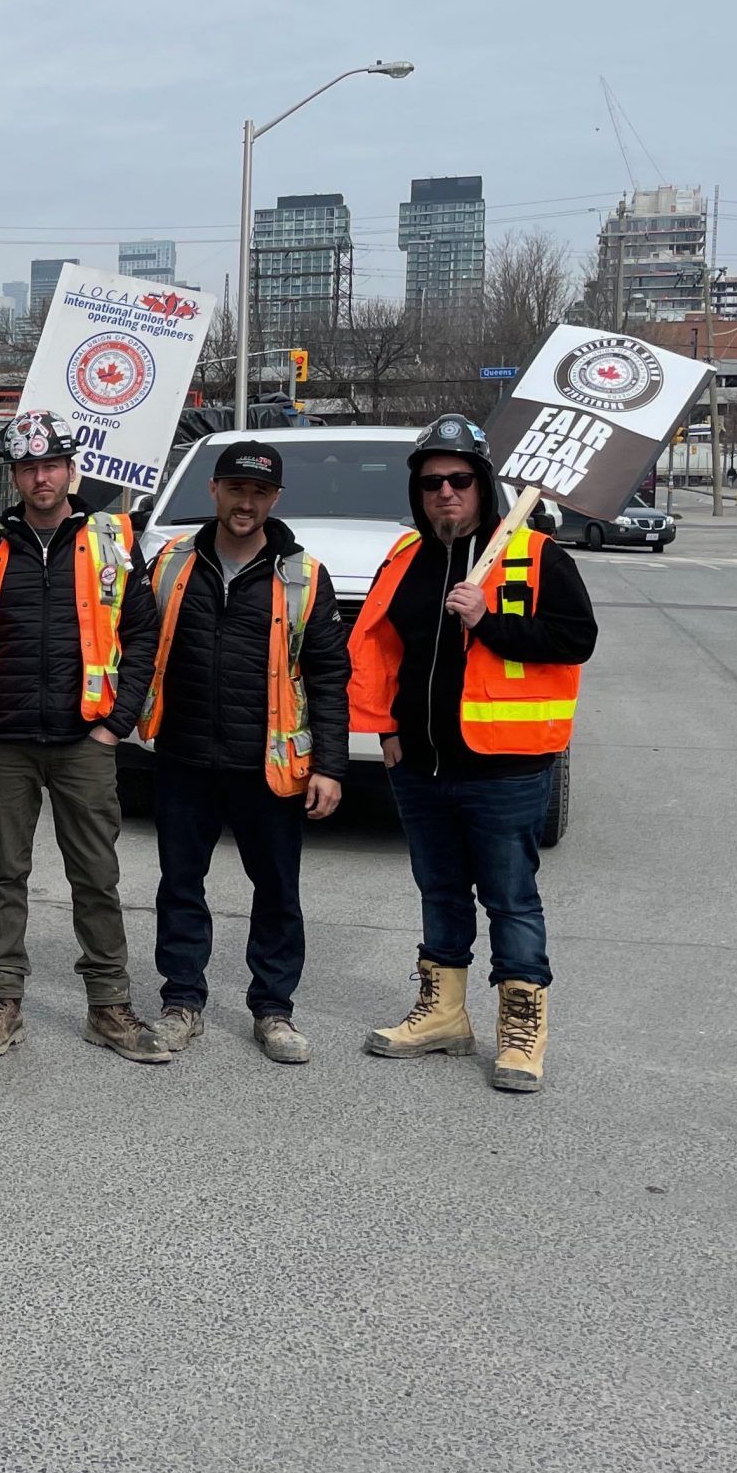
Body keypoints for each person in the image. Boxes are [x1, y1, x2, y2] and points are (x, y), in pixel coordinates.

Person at [352, 414, 596, 1093]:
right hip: (421, 766)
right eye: (431, 483)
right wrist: (386, 731)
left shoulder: (537, 555)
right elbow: (378, 650)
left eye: (459, 480)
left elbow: (576, 638)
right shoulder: (405, 559)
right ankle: (444, 1014)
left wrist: (487, 621)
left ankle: (521, 1028)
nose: (445, 494)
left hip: (505, 766)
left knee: (511, 899)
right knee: (439, 891)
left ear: (483, 485)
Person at [0, 410, 170, 1064]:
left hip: (83, 740)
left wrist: (116, 725)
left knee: (96, 875)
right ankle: (1, 1003)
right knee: (4, 874)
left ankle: (109, 1006)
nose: (41, 478)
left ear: (72, 468)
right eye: (29, 467)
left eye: (52, 465)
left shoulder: (115, 538)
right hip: (3, 740)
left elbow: (143, 636)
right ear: (14, 474)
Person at [137, 440, 349, 1066]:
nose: (246, 503)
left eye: (259, 493)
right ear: (215, 491)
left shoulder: (304, 574)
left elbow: (330, 674)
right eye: (236, 489)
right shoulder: (170, 562)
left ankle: (274, 1010)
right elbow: (136, 644)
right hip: (184, 754)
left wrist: (331, 765)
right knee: (180, 885)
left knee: (278, 889)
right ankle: (181, 1002)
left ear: (275, 499)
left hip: (270, 763)